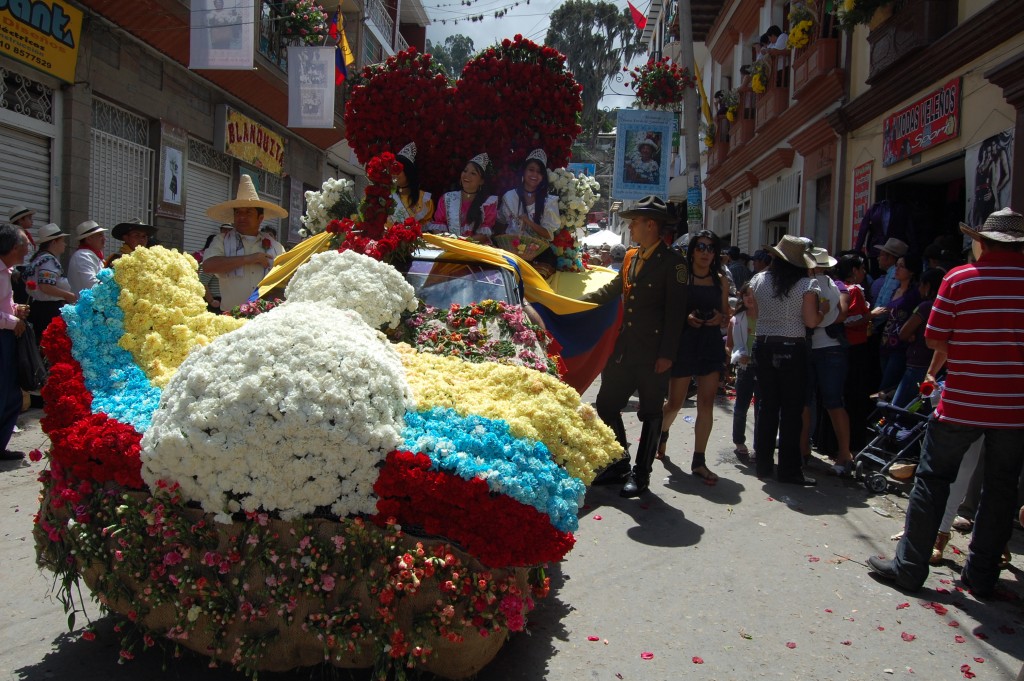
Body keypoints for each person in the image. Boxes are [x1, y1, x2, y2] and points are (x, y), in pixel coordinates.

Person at [867, 208, 1024, 598]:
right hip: (1014, 408)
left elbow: (936, 339)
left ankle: (909, 568)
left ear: (981, 242)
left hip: (962, 402)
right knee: (1001, 489)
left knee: (932, 482)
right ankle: (982, 574)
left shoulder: (960, 278)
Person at [583, 196, 688, 497]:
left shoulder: (674, 264)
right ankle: (619, 463)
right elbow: (611, 290)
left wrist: (667, 355)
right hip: (625, 348)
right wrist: (573, 302)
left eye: (635, 222)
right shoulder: (630, 257)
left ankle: (641, 475)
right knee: (606, 404)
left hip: (654, 353)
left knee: (651, 412)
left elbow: (675, 314)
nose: (630, 226)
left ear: (651, 225)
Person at [749, 235, 828, 485]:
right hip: (792, 349)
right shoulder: (807, 284)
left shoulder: (758, 280)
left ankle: (762, 465)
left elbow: (754, 313)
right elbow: (811, 321)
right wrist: (823, 311)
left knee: (767, 406)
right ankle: (789, 470)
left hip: (763, 345)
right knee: (792, 411)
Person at [659, 230, 730, 485]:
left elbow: (725, 313)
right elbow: (667, 308)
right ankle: (663, 432)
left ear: (716, 253)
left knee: (706, 403)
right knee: (675, 403)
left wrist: (718, 318)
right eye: (700, 247)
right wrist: (686, 318)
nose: (705, 252)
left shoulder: (721, 280)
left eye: (710, 248)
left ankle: (699, 461)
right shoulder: (681, 276)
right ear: (692, 250)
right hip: (684, 342)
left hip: (710, 343)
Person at [201, 175, 288, 311]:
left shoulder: (276, 246)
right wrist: (249, 259)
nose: (242, 217)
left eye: (248, 212)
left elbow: (285, 279)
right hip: (232, 317)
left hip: (265, 317)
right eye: (238, 212)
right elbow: (208, 266)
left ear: (260, 218)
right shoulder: (222, 240)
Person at [806, 247, 853, 475]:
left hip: (830, 349)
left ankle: (845, 454)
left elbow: (842, 313)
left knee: (832, 402)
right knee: (811, 401)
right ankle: (803, 449)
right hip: (814, 348)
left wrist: (818, 315)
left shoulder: (836, 286)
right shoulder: (813, 285)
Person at [891, 267, 944, 408]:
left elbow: (903, 333)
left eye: (921, 285)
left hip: (917, 365)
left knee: (898, 407)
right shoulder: (945, 308)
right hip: (937, 368)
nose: (919, 288)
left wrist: (911, 335)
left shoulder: (925, 307)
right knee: (921, 408)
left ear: (928, 286)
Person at [1, 224, 31, 460]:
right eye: (25, 245)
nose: (27, 250)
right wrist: (12, 321)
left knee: (11, 395)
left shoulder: (7, 271)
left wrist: (15, 309)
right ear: (13, 247)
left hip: (7, 337)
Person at [872, 253, 922, 394]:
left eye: (902, 266)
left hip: (900, 345)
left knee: (886, 388)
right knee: (886, 385)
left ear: (911, 271)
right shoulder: (896, 289)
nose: (897, 269)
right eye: (896, 266)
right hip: (886, 342)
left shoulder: (915, 293)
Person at [837, 253, 872, 452]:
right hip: (856, 347)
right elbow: (849, 320)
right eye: (861, 268)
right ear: (854, 271)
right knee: (854, 396)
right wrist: (870, 315)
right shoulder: (854, 291)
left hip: (841, 347)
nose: (864, 272)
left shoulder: (836, 288)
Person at [25, 224, 77, 345]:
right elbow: (45, 286)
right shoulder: (48, 260)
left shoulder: (38, 259)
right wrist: (68, 295)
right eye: (62, 241)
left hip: (39, 308)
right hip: (48, 310)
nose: (64, 244)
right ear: (54, 242)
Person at [428, 153, 498, 240]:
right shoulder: (447, 198)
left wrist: (464, 244)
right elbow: (438, 227)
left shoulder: (488, 203)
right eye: (465, 171)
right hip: (450, 247)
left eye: (473, 173)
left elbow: (484, 235)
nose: (466, 175)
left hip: (476, 250)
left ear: (482, 181)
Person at [728, 283, 757, 462]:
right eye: (746, 295)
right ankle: (739, 441)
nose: (750, 298)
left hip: (765, 368)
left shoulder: (768, 319)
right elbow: (729, 346)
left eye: (753, 295)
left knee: (763, 409)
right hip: (745, 368)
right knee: (741, 407)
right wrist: (738, 356)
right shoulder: (736, 320)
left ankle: (760, 445)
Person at [392, 142, 434, 226]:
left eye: (398, 170)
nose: (393, 173)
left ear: (408, 172)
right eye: (392, 169)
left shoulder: (424, 201)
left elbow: (427, 229)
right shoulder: (386, 197)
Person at [67, 221, 108, 295]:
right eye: (100, 235)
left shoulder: (92, 255)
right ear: (89, 239)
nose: (105, 239)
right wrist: (112, 287)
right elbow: (91, 283)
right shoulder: (83, 255)